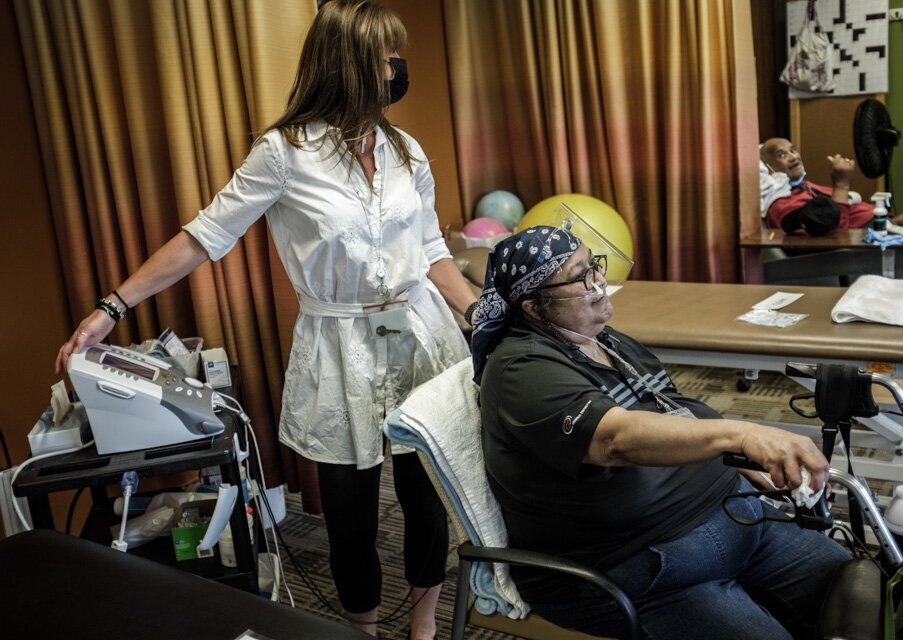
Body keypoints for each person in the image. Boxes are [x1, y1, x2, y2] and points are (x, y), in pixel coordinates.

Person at [55, 2, 477, 638]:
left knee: (423, 497)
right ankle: (360, 629)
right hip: (340, 346)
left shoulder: (405, 151)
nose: (398, 68)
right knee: (351, 511)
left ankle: (424, 626)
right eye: (387, 57)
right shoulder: (284, 153)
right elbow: (203, 236)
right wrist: (112, 307)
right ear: (349, 65)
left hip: (419, 336)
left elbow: (432, 250)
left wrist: (480, 312)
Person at [471, 226, 852, 639]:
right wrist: (739, 436)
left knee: (860, 598)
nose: (598, 281)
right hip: (644, 567)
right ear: (533, 306)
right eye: (579, 276)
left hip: (738, 518)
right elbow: (614, 439)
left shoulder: (608, 341)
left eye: (593, 266)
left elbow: (676, 412)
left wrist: (746, 467)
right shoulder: (519, 370)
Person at [761, 137, 903, 278]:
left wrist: (893, 221)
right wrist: (841, 184)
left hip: (887, 230)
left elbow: (852, 217)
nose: (793, 156)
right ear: (769, 168)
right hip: (876, 249)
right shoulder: (783, 204)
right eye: (781, 154)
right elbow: (834, 237)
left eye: (793, 150)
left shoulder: (808, 187)